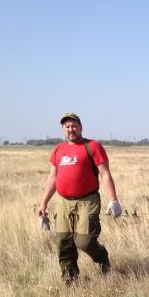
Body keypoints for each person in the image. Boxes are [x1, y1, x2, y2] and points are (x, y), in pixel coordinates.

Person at [37, 112, 123, 283]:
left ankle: (102, 258)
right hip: (63, 202)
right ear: (63, 129)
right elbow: (53, 178)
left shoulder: (92, 146)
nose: (71, 129)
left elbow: (105, 174)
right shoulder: (58, 150)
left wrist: (113, 200)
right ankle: (70, 279)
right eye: (67, 126)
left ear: (81, 127)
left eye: (74, 126)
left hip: (87, 201)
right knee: (63, 242)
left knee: (85, 241)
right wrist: (43, 203)